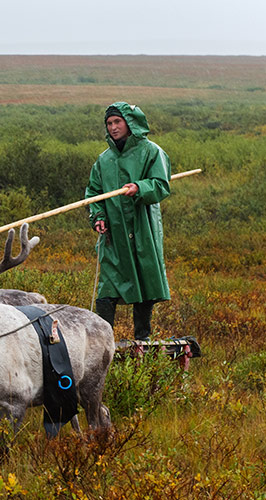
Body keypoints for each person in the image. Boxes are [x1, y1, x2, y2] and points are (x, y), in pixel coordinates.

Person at [85, 102, 171, 340]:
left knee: (144, 281)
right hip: (114, 234)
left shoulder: (152, 152)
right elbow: (94, 193)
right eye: (109, 123)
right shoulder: (104, 160)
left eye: (117, 122)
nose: (113, 127)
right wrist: (99, 217)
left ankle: (142, 338)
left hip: (143, 229)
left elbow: (162, 185)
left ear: (130, 123)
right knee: (107, 285)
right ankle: (104, 341)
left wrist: (140, 187)